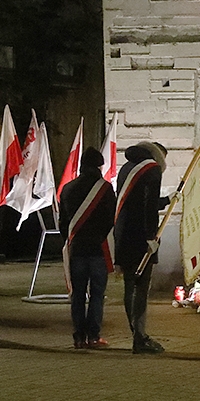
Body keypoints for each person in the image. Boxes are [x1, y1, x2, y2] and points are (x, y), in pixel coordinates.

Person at [114, 141, 170, 354]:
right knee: (141, 288)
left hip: (124, 235)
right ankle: (140, 338)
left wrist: (165, 200)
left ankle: (135, 332)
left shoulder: (127, 168)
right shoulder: (152, 169)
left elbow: (136, 202)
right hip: (141, 239)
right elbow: (147, 205)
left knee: (130, 285)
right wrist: (150, 237)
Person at [59, 147, 117, 349]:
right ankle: (94, 336)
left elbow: (63, 223)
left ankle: (78, 337)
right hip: (98, 249)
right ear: (99, 165)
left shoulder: (67, 188)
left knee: (77, 294)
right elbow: (111, 219)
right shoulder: (105, 189)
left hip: (77, 249)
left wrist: (71, 239)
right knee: (97, 294)